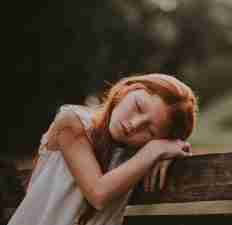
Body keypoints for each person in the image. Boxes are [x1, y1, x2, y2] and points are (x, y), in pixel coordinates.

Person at [7, 73, 198, 225]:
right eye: (138, 106)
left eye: (149, 130)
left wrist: (166, 153)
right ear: (128, 90)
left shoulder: (136, 156)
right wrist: (154, 151)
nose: (133, 124)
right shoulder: (73, 123)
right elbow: (98, 193)